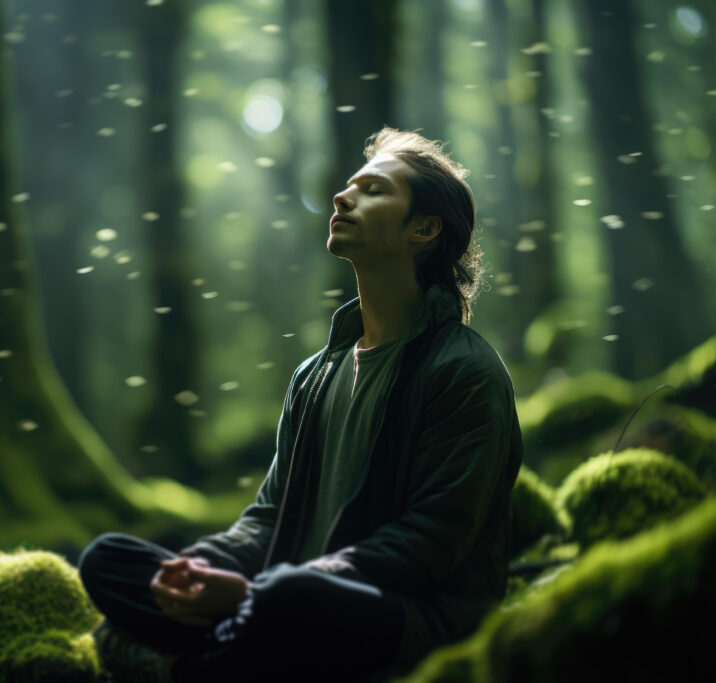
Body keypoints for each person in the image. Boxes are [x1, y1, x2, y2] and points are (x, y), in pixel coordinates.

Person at [77, 127, 523, 682]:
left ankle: (188, 662)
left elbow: (430, 542)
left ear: (424, 228)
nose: (343, 197)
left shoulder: (463, 371)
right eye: (348, 186)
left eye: (374, 190)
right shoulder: (315, 376)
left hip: (409, 618)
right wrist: (199, 570)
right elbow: (268, 518)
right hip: (279, 596)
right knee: (108, 561)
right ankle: (223, 646)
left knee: (291, 595)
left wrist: (255, 593)